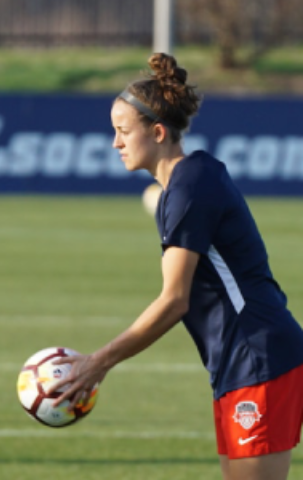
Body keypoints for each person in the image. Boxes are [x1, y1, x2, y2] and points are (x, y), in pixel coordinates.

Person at [52, 53, 303, 480]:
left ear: (158, 131)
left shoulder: (189, 186)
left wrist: (100, 362)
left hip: (256, 356)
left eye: (123, 131)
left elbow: (174, 301)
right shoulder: (185, 184)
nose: (115, 143)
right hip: (238, 360)